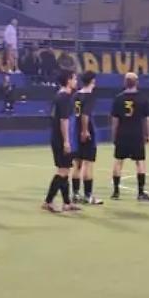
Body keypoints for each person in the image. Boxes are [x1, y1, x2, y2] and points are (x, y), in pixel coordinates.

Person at [109, 72, 149, 201]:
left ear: (125, 83)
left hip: (122, 133)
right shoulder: (143, 98)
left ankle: (116, 192)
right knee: (140, 162)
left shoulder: (118, 98)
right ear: (137, 82)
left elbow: (115, 120)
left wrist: (114, 135)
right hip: (136, 134)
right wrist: (147, 134)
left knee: (118, 161)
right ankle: (140, 192)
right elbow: (147, 119)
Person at [42, 69, 81, 213]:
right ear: (68, 80)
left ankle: (67, 203)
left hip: (57, 137)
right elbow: (63, 120)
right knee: (62, 171)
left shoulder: (59, 96)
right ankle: (48, 201)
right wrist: (66, 141)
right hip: (61, 138)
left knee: (65, 170)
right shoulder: (64, 97)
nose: (76, 81)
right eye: (74, 79)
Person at [71, 70, 102, 205]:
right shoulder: (90, 96)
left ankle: (76, 194)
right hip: (86, 131)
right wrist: (85, 131)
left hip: (75, 130)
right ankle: (88, 196)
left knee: (77, 164)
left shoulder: (76, 95)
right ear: (93, 81)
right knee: (88, 163)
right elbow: (85, 115)